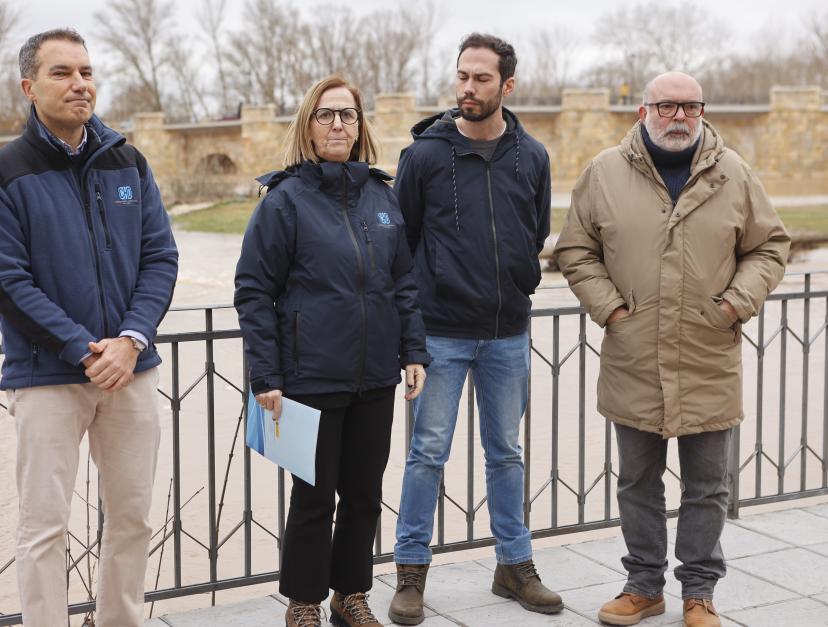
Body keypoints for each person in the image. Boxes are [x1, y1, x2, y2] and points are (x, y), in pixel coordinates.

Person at [554, 71, 789, 627]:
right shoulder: (604, 172)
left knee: (708, 486)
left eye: (689, 106)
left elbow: (769, 247)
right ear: (644, 112)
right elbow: (575, 250)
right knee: (637, 482)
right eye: (666, 106)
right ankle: (643, 587)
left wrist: (733, 304)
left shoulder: (734, 173)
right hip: (633, 356)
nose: (678, 116)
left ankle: (699, 592)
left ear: (703, 111)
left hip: (709, 355)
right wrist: (612, 309)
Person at [0, 29, 178, 627]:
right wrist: (83, 349)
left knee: (133, 518)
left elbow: (160, 257)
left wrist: (131, 339)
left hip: (130, 369)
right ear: (29, 87)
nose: (79, 84)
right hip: (47, 376)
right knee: (44, 526)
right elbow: (7, 282)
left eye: (86, 71)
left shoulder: (127, 161)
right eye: (61, 73)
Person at [234, 75, 430, 627]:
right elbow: (254, 290)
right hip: (311, 375)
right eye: (326, 115)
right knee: (314, 498)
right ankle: (303, 601)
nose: (338, 124)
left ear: (360, 125)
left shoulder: (382, 196)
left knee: (364, 494)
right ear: (309, 125)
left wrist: (413, 351)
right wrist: (266, 375)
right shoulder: (285, 201)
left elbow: (403, 283)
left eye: (347, 114)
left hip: (375, 376)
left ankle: (350, 594)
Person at [387, 33, 563, 625]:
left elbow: (536, 233)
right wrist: (411, 333)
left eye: (482, 78)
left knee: (506, 453)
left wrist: (518, 281)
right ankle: (410, 572)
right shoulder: (423, 157)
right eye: (462, 75)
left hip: (508, 333)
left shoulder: (532, 156)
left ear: (506, 85)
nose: (468, 87)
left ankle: (514, 565)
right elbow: (402, 246)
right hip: (440, 333)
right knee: (426, 453)